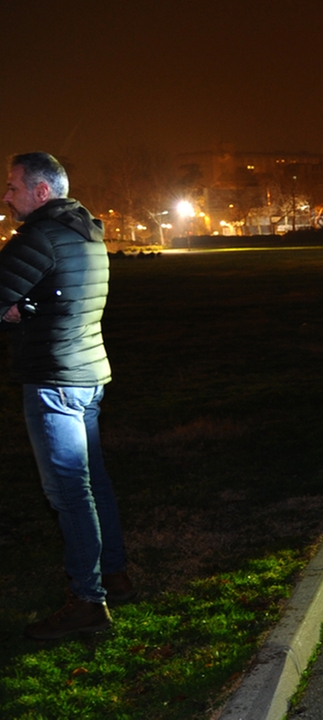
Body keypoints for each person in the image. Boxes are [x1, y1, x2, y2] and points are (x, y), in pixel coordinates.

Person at [0, 152, 133, 640]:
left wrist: (12, 312)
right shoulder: (87, 232)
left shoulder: (39, 235)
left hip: (55, 380)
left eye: (13, 186)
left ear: (40, 191)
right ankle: (114, 573)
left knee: (69, 493)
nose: (6, 195)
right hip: (87, 374)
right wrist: (24, 309)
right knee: (92, 482)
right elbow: (62, 295)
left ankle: (87, 602)